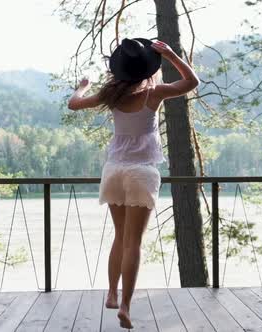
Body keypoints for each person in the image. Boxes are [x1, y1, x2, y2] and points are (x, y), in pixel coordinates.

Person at [67, 37, 199, 329]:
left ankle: (112, 293)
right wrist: (171, 55)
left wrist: (83, 85)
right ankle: (126, 306)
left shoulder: (112, 95)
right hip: (141, 172)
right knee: (133, 243)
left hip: (113, 171)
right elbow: (191, 82)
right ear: (146, 69)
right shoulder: (154, 94)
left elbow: (73, 104)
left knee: (119, 236)